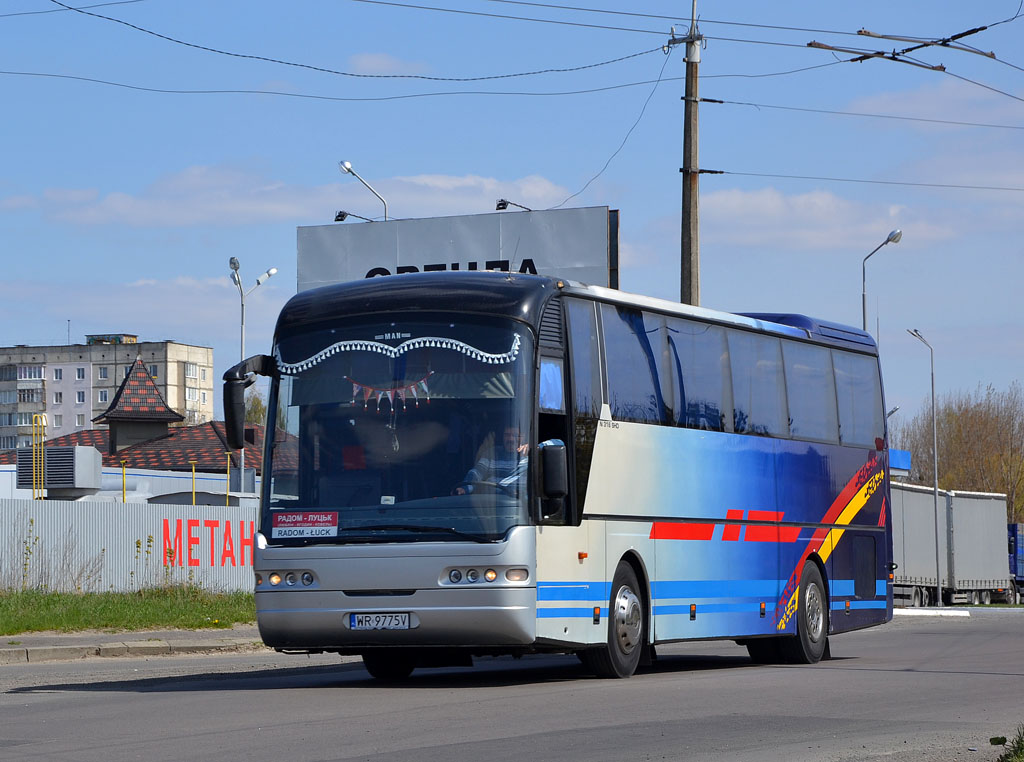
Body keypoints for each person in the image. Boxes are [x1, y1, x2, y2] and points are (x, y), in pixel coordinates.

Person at [453, 426, 528, 496]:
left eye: (516, 435)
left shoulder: (533, 454)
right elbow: (477, 472)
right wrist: (464, 488)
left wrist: (535, 450)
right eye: (507, 435)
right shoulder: (492, 453)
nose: (510, 439)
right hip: (493, 504)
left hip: (522, 505)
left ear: (524, 437)